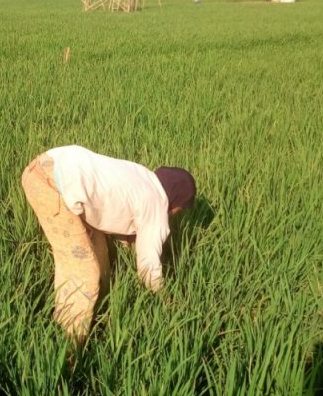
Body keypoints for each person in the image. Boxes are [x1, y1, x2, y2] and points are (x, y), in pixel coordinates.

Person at [21, 145, 196, 344]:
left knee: (100, 255)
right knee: (84, 273)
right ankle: (69, 345)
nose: (174, 215)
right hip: (51, 184)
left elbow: (116, 208)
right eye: (179, 210)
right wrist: (167, 300)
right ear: (176, 200)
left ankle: (94, 312)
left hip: (50, 163)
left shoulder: (144, 177)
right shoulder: (157, 205)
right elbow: (148, 268)